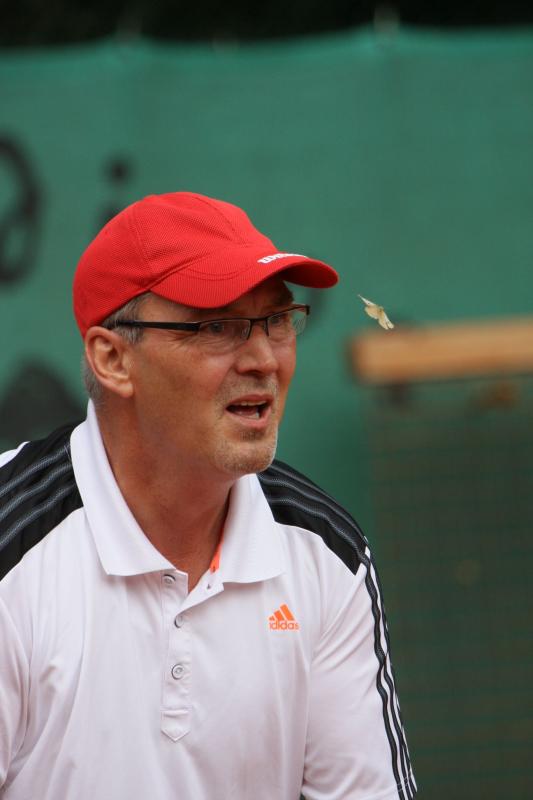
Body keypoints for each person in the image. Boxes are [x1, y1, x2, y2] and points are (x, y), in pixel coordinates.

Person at [0, 192, 416, 800]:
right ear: (113, 359)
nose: (264, 360)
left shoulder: (328, 552)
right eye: (218, 327)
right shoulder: (12, 550)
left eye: (277, 321)